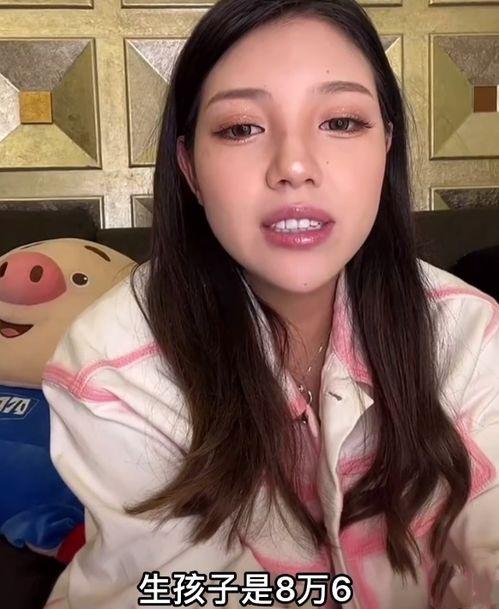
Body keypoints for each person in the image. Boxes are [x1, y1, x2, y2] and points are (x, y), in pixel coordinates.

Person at [41, 0, 499, 607]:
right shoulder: (115, 363)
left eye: (341, 121)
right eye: (240, 128)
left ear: (387, 147)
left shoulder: (466, 329)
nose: (294, 167)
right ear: (189, 168)